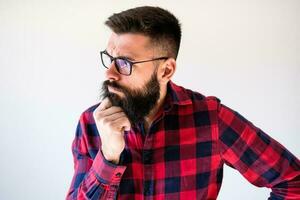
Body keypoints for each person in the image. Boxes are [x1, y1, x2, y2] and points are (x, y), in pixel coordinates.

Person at [66, 6, 300, 200]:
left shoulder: (211, 119)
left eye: (124, 63)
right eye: (110, 58)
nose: (110, 73)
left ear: (166, 70)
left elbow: (292, 181)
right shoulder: (91, 123)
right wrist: (108, 156)